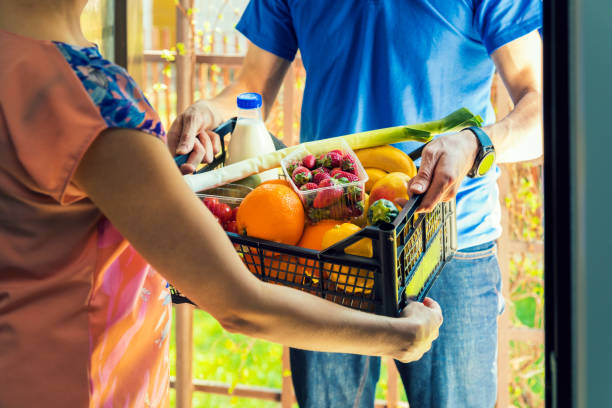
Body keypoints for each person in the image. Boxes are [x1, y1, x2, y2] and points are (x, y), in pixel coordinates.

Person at [0, 1, 444, 407]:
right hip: (81, 385)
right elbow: (239, 304)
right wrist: (396, 337)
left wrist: (153, 176)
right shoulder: (96, 99)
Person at [168, 0, 543, 407]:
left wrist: (477, 142)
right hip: (328, 248)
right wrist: (211, 111)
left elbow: (542, 109)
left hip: (449, 243)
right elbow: (251, 87)